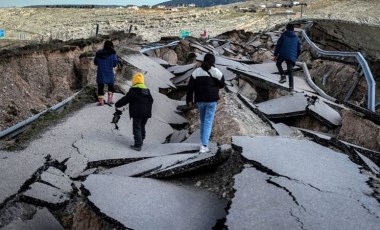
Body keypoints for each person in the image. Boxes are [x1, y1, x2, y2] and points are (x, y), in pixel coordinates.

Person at [186, 53, 225, 153]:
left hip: (200, 100)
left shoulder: (196, 72)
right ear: (213, 61)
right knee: (208, 122)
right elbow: (222, 84)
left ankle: (202, 143)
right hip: (212, 101)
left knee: (203, 122)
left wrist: (189, 100)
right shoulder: (216, 71)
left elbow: (190, 88)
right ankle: (204, 145)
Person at [114, 72, 154, 151]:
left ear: (134, 81)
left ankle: (138, 145)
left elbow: (125, 99)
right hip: (146, 113)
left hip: (137, 113)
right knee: (142, 126)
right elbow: (151, 100)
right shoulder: (147, 91)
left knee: (137, 127)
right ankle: (141, 140)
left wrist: (117, 104)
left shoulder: (133, 91)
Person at [273, 23, 302, 92]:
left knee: (278, 63)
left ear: (286, 29)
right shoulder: (297, 38)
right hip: (292, 55)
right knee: (290, 70)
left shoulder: (283, 35)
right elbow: (299, 50)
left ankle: (283, 76)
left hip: (283, 53)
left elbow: (278, 45)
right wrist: (294, 58)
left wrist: (275, 54)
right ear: (293, 30)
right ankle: (291, 87)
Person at [94, 40, 118, 106]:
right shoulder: (113, 53)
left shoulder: (98, 53)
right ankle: (110, 100)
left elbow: (95, 62)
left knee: (100, 86)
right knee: (111, 85)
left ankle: (101, 102)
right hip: (109, 72)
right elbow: (115, 64)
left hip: (101, 72)